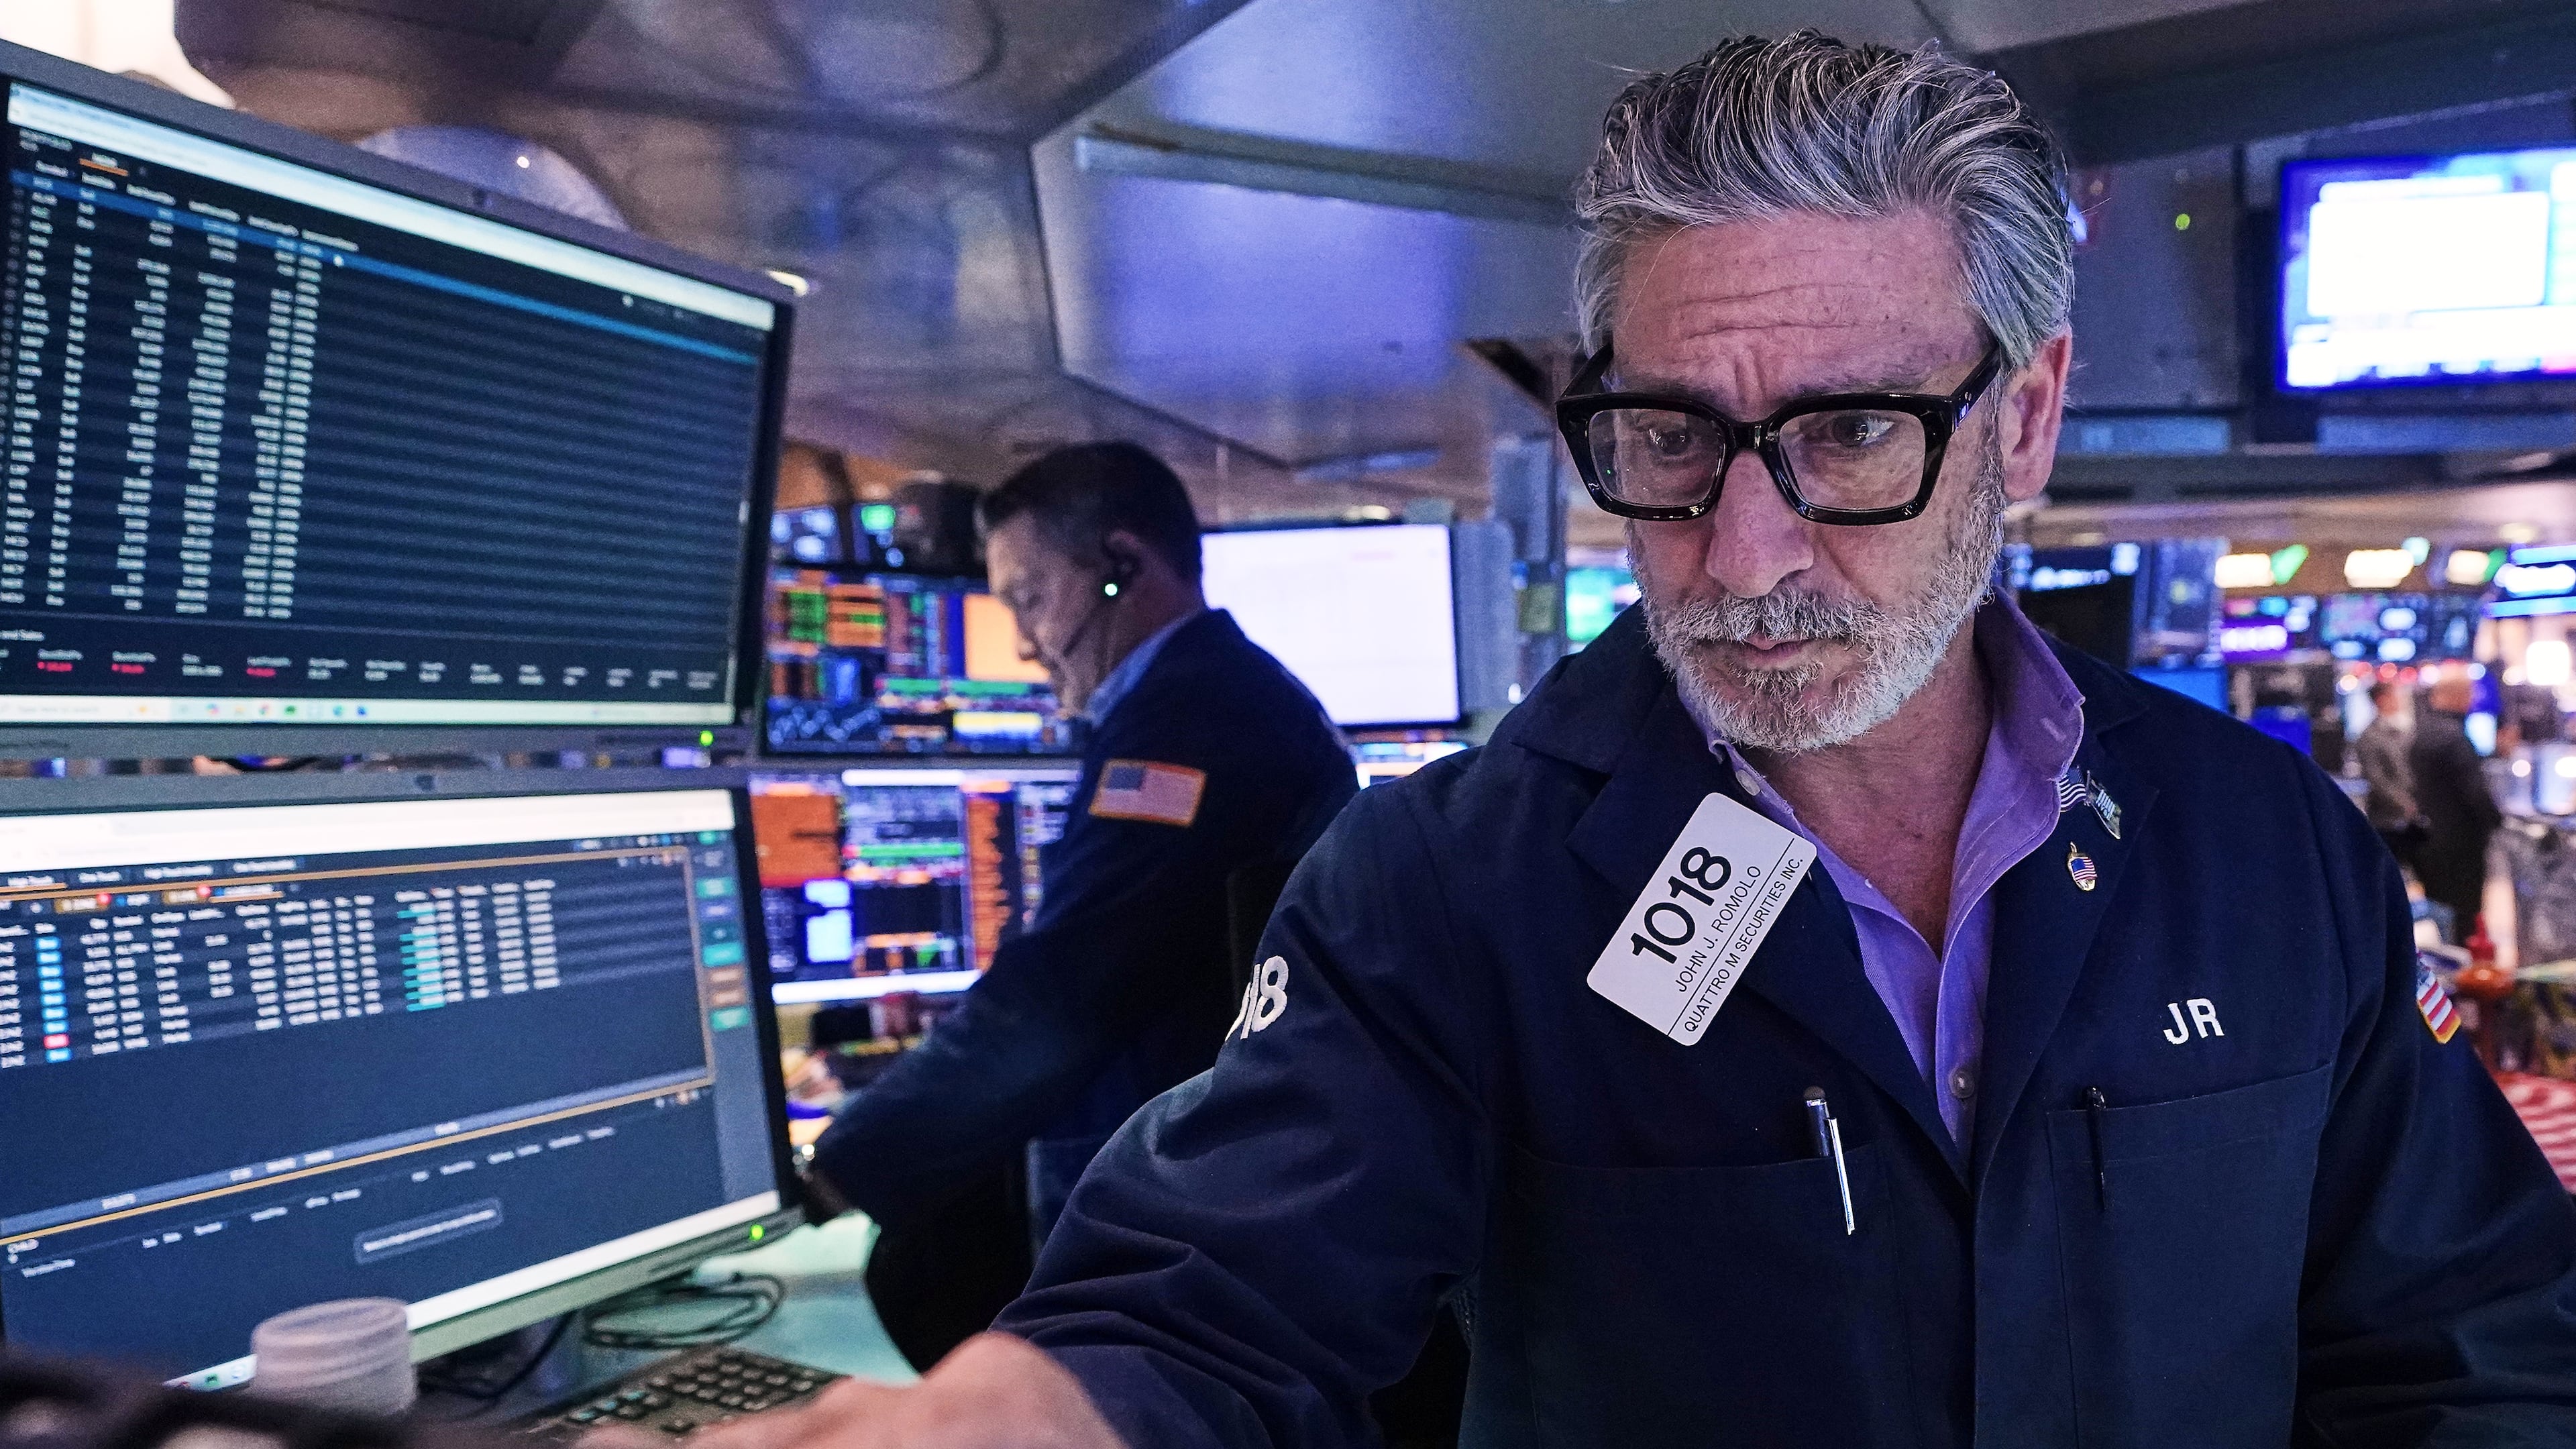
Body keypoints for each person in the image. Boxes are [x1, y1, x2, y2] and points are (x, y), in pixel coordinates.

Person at [639, 34, 2576, 1448]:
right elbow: (1219, 1303)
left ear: (2028, 416)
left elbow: (2466, 1334)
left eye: (1844, 437)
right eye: (1669, 444)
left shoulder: (2256, 842)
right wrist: (1028, 1420)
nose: (1742, 555)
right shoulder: (1450, 884)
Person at [804, 441, 1357, 1369]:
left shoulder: (1192, 724)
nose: (1023, 640)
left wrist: (839, 1169)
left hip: (1190, 1214)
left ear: (1121, 567)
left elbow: (1067, 992)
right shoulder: (1211, 698)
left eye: (1029, 596)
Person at [2410, 669, 2506, 939]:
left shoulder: (2424, 732)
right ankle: (2464, 969)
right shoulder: (2454, 738)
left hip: (2431, 839)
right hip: (2461, 844)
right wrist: (2495, 821)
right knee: (2465, 915)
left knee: (2442, 911)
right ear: (2457, 695)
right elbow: (2474, 792)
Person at [2356, 676, 2424, 867]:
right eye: (2395, 695)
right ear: (2382, 699)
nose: (2400, 700)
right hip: (2387, 821)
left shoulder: (2406, 731)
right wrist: (2406, 804)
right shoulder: (2368, 737)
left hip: (2412, 819)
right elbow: (2376, 779)